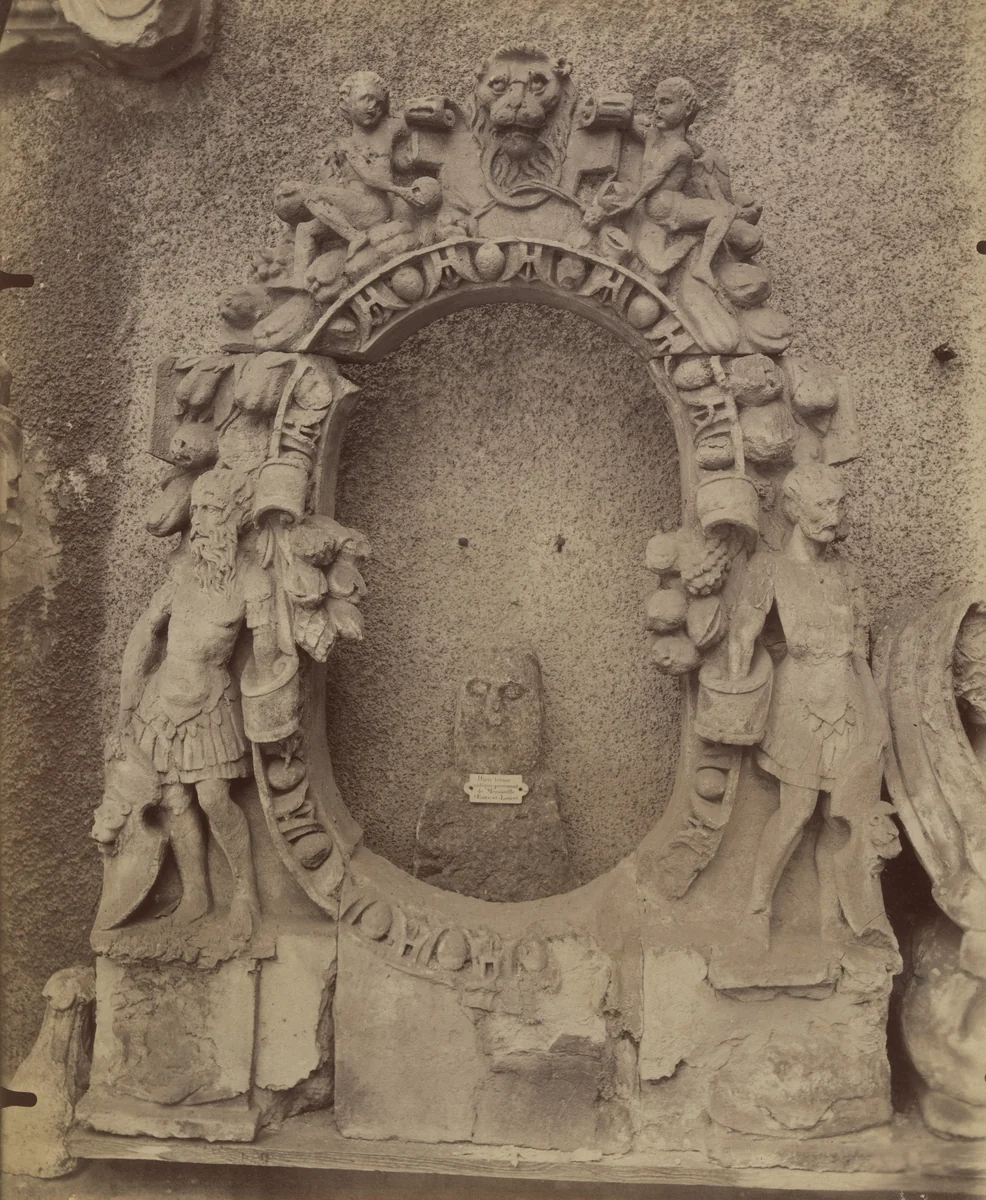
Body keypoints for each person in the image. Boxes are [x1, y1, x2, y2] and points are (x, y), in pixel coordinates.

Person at [106, 467, 278, 941]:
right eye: (196, 510)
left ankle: (244, 893)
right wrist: (126, 707)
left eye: (211, 510)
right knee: (174, 798)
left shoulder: (253, 583)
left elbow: (267, 657)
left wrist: (272, 692)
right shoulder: (180, 576)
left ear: (235, 519)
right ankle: (196, 893)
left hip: (210, 705)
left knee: (213, 798)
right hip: (161, 702)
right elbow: (144, 636)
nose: (199, 521)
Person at [726, 463, 895, 948]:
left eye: (839, 504)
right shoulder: (771, 568)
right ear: (794, 509)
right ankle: (757, 909)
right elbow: (742, 634)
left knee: (839, 816)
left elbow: (860, 650)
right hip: (799, 700)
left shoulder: (845, 572)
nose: (834, 515)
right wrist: (736, 693)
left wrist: (875, 718)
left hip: (849, 702)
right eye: (823, 504)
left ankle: (830, 919)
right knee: (796, 811)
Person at [583, 77, 737, 287]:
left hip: (658, 210)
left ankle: (695, 252)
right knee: (726, 211)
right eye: (656, 103)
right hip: (667, 208)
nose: (657, 109)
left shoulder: (678, 147)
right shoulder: (660, 139)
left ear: (687, 107)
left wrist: (633, 202)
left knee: (657, 266)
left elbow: (657, 175)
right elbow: (653, 173)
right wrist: (597, 107)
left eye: (666, 102)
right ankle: (702, 264)